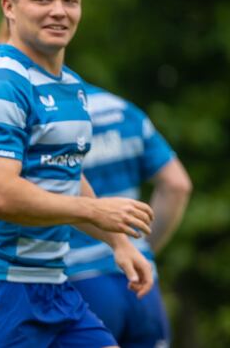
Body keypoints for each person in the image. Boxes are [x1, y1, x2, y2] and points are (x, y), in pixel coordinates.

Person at [0, 0, 155, 347]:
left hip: (53, 288)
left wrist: (119, 244)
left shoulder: (71, 86)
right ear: (9, 7)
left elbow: (67, 175)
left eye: (69, 0)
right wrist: (96, 211)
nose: (59, 11)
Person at [66, 84, 192, 347]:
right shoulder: (123, 110)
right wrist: (143, 249)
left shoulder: (49, 115)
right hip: (141, 282)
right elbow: (177, 184)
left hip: (81, 281)